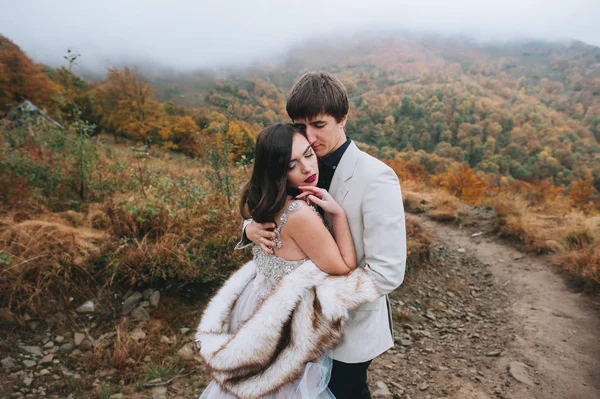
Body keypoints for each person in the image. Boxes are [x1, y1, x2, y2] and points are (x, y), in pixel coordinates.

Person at [243, 72, 407, 399]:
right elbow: (267, 202)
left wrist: (311, 303)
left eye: (319, 125)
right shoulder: (294, 161)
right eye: (300, 126)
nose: (310, 136)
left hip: (347, 332)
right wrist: (248, 228)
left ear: (343, 118)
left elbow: (387, 273)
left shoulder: (376, 178)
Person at [196, 123, 382, 399]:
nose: (308, 168)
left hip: (254, 304)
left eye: (308, 154)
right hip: (280, 320)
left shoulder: (270, 201)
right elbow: (343, 268)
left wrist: (248, 227)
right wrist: (338, 214)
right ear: (277, 171)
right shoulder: (299, 214)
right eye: (292, 164)